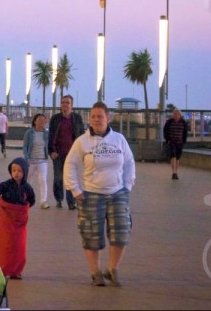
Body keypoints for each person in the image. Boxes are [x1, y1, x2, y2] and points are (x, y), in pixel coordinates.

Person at [64, 102, 136, 287]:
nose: (96, 120)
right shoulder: (82, 141)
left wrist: (127, 185)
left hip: (118, 192)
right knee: (91, 235)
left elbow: (129, 162)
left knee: (121, 232)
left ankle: (113, 269)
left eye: (100, 116)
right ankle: (95, 271)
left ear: (108, 118)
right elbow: (70, 164)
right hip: (91, 194)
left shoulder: (119, 139)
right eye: (93, 116)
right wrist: (75, 189)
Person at [0, 157, 36, 279]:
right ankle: (3, 268)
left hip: (20, 223)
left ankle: (16, 270)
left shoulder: (27, 188)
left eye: (19, 171)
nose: (16, 173)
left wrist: (21, 210)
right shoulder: (5, 185)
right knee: (5, 245)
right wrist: (4, 207)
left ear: (24, 172)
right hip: (7, 221)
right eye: (14, 170)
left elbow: (32, 200)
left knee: (19, 246)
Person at [48, 94, 85, 210]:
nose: (65, 105)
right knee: (58, 178)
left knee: (71, 178)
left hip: (72, 154)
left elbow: (82, 136)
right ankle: (59, 199)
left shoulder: (77, 118)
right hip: (58, 154)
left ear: (72, 105)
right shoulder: (55, 118)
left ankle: (71, 202)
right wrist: (52, 151)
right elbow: (50, 136)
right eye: (63, 102)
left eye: (67, 103)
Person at [23, 113, 50, 209]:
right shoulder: (29, 133)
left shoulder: (46, 133)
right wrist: (27, 158)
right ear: (35, 121)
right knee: (27, 180)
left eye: (43, 120)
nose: (41, 122)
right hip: (31, 161)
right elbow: (25, 147)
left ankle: (43, 201)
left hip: (42, 160)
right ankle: (25, 199)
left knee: (42, 180)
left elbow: (48, 146)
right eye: (39, 120)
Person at [163, 108, 189, 180]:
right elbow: (165, 131)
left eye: (177, 114)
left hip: (180, 142)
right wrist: (168, 140)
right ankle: (174, 172)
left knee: (177, 158)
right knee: (173, 156)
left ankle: (176, 171)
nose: (176, 116)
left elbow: (185, 132)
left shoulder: (183, 122)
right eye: (174, 114)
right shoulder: (169, 122)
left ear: (180, 115)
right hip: (172, 142)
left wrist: (184, 140)